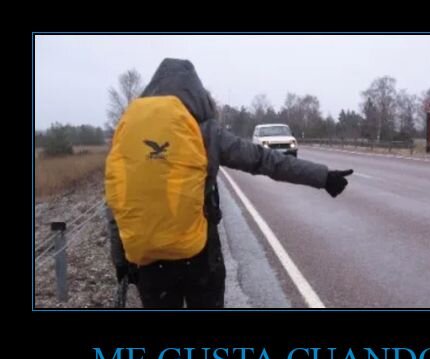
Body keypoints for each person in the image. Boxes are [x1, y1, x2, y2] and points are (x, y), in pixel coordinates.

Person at [105, 58, 353, 309]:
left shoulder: (128, 132)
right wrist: (323, 177)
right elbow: (264, 160)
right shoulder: (204, 131)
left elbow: (115, 201)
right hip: (200, 254)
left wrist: (121, 261)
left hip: (150, 260)